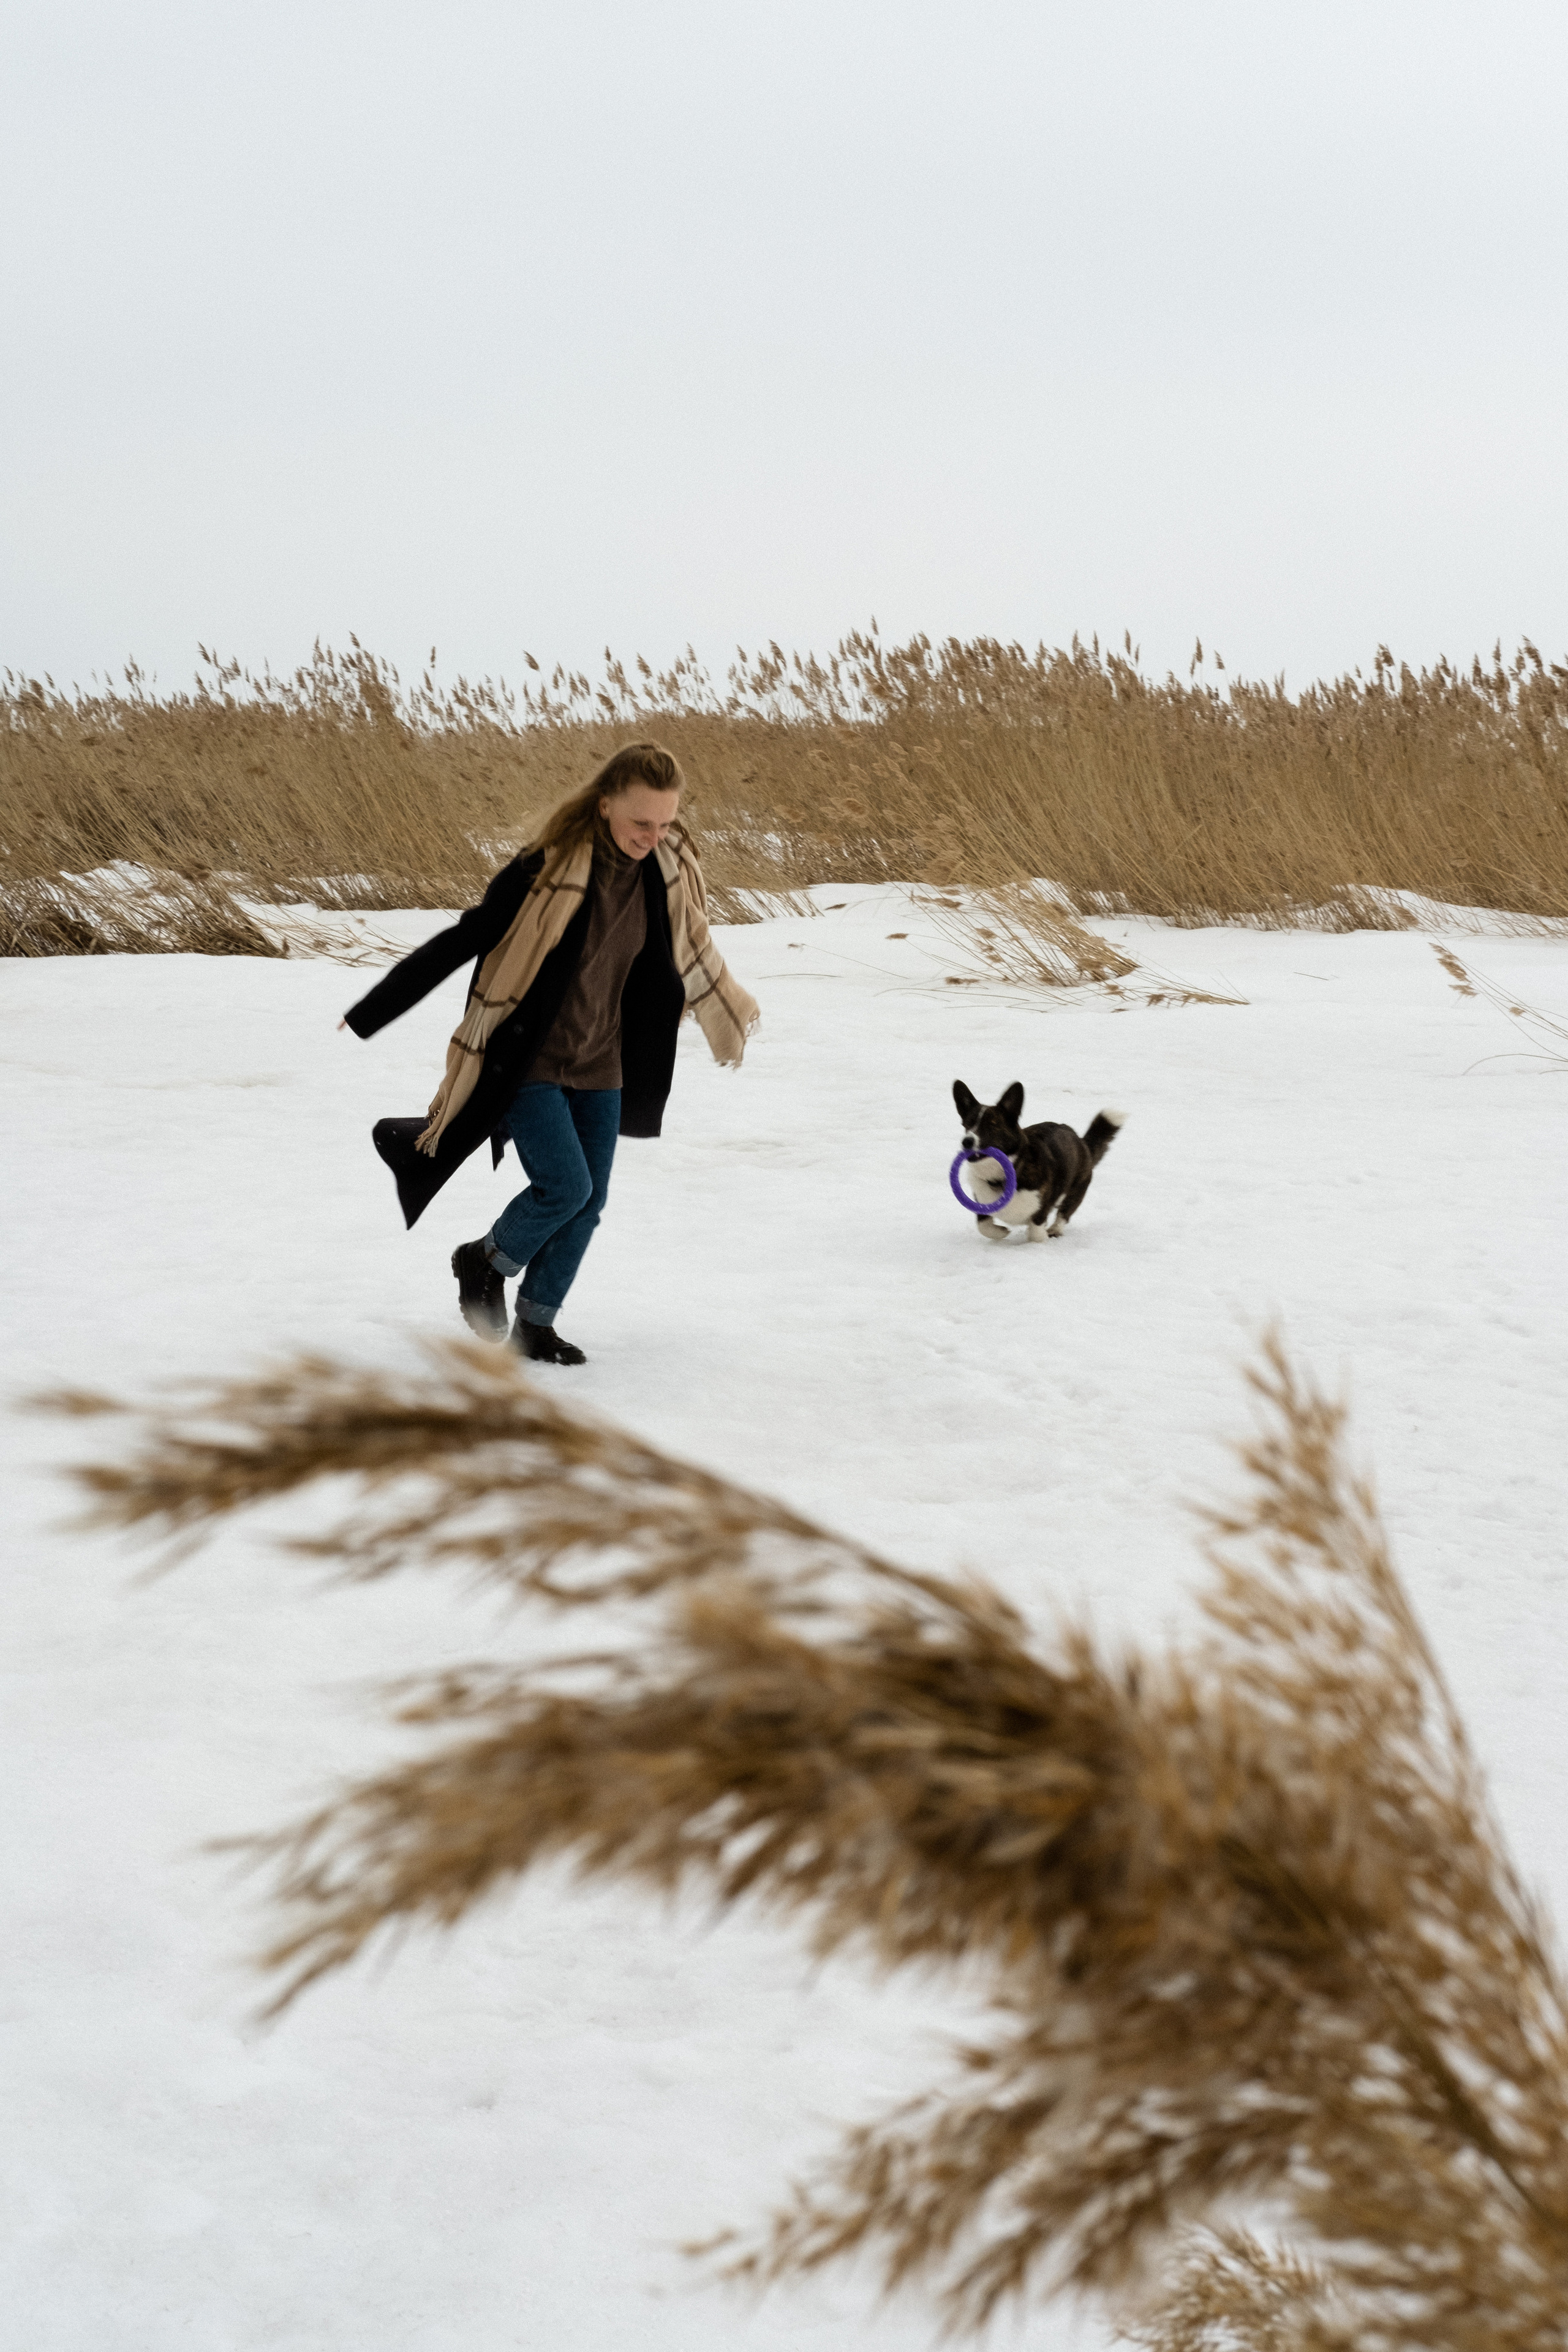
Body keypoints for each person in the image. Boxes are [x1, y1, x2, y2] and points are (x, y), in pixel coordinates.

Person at [341, 742, 758, 1363]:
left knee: (590, 1204)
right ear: (605, 802)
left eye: (666, 823)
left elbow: (681, 950)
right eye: (641, 822)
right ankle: (483, 1260)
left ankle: (536, 1326)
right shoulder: (545, 869)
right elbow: (468, 936)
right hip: (531, 1058)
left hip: (603, 1059)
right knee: (565, 1187)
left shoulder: (665, 873)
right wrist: (375, 1007)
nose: (654, 835)